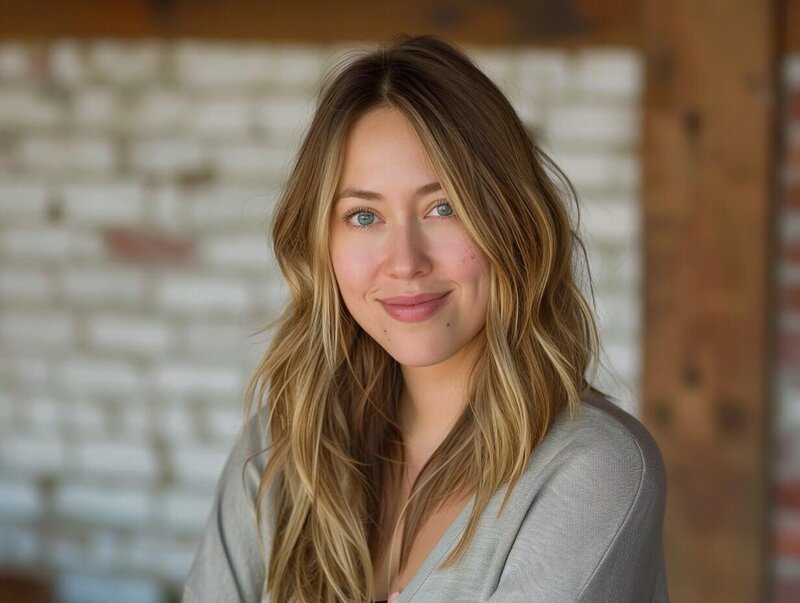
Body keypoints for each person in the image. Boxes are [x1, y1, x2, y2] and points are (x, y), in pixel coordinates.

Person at [182, 34, 668, 603]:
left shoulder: (592, 474)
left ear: (512, 222)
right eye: (364, 216)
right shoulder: (284, 444)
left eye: (444, 207)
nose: (406, 261)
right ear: (321, 242)